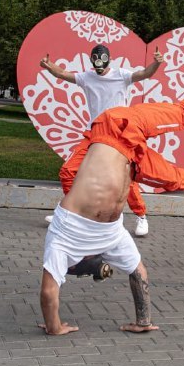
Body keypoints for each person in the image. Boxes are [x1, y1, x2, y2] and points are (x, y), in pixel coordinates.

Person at [39, 87, 184, 335]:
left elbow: (48, 292)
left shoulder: (62, 238)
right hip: (128, 165)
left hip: (116, 126)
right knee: (168, 178)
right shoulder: (111, 239)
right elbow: (138, 272)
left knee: (182, 115)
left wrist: (53, 326)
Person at [40, 44, 165, 236]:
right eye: (95, 60)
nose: (98, 64)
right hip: (95, 133)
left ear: (108, 59)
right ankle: (71, 214)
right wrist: (50, 66)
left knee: (125, 178)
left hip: (119, 135)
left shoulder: (121, 75)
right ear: (91, 60)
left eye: (101, 60)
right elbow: (63, 74)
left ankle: (141, 216)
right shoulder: (86, 77)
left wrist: (156, 63)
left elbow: (144, 74)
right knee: (68, 171)